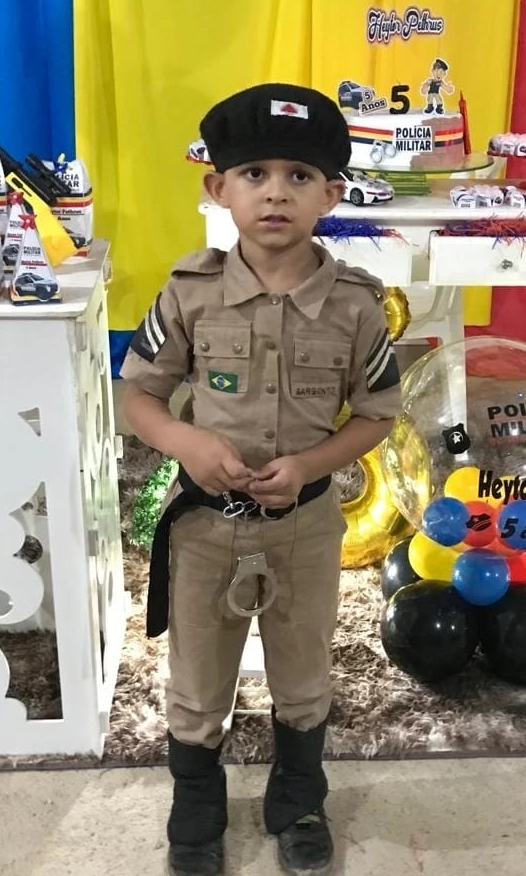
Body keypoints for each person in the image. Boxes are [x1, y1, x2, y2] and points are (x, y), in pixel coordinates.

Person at [120, 82, 402, 876]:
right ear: (219, 188)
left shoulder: (357, 306)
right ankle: (196, 802)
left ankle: (299, 797)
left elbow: (377, 414)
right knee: (197, 678)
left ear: (331, 195)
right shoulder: (190, 292)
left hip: (305, 529)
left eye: (299, 175)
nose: (276, 191)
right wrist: (184, 441)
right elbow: (138, 397)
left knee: (304, 674)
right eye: (254, 174)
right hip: (208, 530)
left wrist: (310, 464)